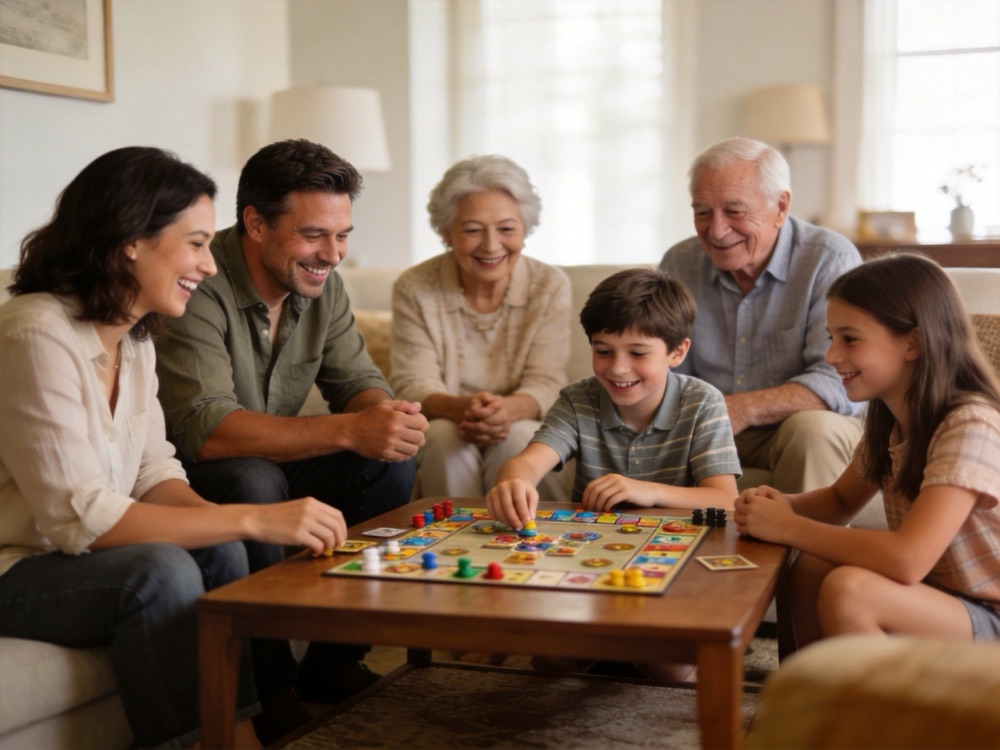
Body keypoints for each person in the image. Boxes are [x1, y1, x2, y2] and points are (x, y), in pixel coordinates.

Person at [0, 147, 348, 749]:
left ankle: (238, 737)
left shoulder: (134, 338)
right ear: (130, 238)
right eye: (194, 244)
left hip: (71, 555)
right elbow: (76, 515)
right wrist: (255, 516)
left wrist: (229, 527)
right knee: (159, 570)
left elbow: (152, 468)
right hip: (17, 563)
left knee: (221, 551)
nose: (209, 265)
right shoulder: (34, 332)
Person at [154, 140, 428, 716]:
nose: (333, 254)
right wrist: (353, 430)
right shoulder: (197, 284)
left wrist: (386, 418)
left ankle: (334, 663)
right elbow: (208, 430)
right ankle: (270, 689)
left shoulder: (320, 282)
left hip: (277, 459)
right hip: (191, 474)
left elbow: (356, 379)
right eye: (314, 235)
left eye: (343, 235)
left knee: (391, 458)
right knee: (254, 479)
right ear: (255, 223)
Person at [735, 253, 1000, 657]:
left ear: (913, 342)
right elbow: (840, 501)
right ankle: (802, 707)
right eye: (831, 338)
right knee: (811, 564)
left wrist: (786, 527)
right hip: (944, 599)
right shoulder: (890, 420)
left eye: (850, 339)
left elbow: (907, 560)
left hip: (989, 617)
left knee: (852, 592)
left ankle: (870, 719)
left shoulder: (970, 424)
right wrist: (777, 506)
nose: (831, 356)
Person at [486, 267, 740, 680]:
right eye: (603, 351)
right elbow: (530, 460)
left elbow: (726, 500)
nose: (618, 369)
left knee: (671, 670)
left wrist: (647, 491)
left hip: (678, 565)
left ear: (677, 352)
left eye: (638, 353)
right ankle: (603, 643)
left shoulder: (702, 401)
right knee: (551, 660)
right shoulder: (578, 399)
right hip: (593, 561)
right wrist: (513, 479)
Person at [660, 137, 863, 494]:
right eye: (702, 212)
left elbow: (839, 380)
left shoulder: (829, 259)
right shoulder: (679, 263)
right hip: (710, 427)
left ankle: (810, 550)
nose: (717, 230)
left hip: (796, 427)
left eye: (735, 212)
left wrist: (741, 409)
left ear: (780, 207)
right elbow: (668, 371)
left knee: (813, 431)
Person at [390, 155, 571, 499]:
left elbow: (547, 381)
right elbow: (413, 383)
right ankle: (450, 539)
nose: (491, 245)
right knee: (444, 439)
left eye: (506, 228)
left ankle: (537, 544)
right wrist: (463, 410)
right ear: (447, 232)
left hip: (521, 417)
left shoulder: (549, 284)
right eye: (473, 230)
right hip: (446, 418)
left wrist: (508, 411)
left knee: (521, 440)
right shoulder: (414, 287)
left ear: (525, 228)